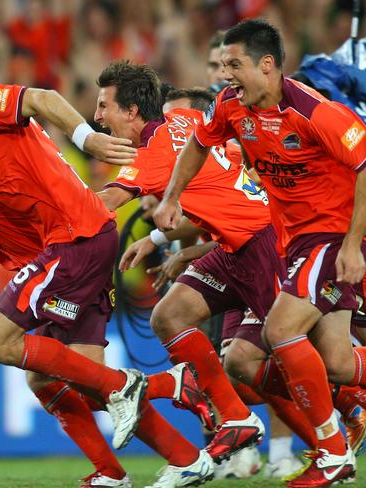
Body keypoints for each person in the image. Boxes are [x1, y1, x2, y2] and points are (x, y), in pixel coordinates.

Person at [0, 19, 214, 488]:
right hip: (80, 240)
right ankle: (183, 453)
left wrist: (87, 138)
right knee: (64, 378)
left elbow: (39, 99)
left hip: (74, 240)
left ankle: (137, 395)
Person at [154, 18, 366, 486]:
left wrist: (350, 245)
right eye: (222, 65)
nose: (225, 75)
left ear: (267, 66)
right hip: (293, 243)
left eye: (233, 64)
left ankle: (334, 452)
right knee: (338, 362)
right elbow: (200, 144)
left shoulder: (314, 112)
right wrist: (171, 197)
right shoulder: (229, 107)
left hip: (336, 235)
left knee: (296, 332)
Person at [93, 60, 271, 464]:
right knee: (169, 315)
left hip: (264, 245)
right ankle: (236, 417)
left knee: (329, 361)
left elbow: (100, 207)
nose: (97, 117)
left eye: (104, 106)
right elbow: (215, 187)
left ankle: (360, 422)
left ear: (132, 112)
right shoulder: (188, 118)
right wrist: (157, 237)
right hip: (232, 248)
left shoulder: (153, 152)